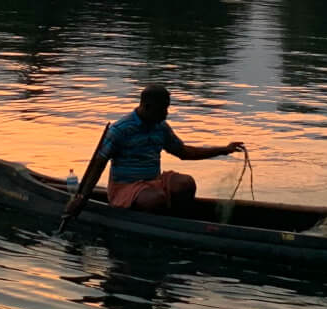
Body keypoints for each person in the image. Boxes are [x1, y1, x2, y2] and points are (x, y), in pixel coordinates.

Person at [66, 84, 243, 217]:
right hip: (125, 188)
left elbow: (184, 152)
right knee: (156, 199)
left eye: (167, 108)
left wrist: (223, 150)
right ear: (147, 107)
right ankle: (159, 220)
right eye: (162, 109)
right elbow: (98, 164)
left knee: (186, 183)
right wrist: (82, 198)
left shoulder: (160, 127)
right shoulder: (120, 130)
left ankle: (178, 223)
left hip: (153, 182)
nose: (166, 113)